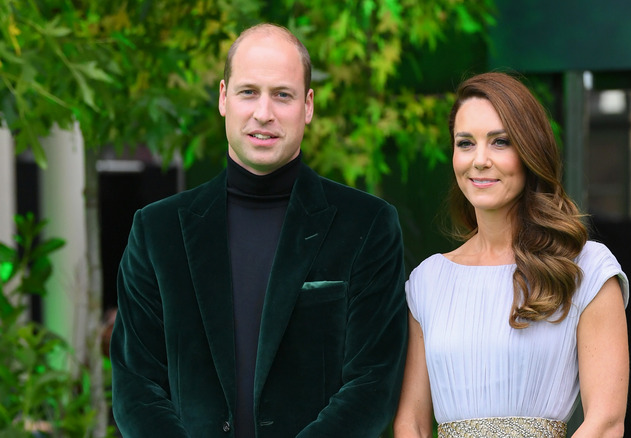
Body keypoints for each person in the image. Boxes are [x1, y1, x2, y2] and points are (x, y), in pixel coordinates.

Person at [110, 23, 408, 438]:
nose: (263, 112)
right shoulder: (156, 231)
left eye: (281, 95)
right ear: (223, 98)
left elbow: (373, 383)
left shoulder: (368, 225)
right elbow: (136, 387)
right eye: (248, 91)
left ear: (307, 105)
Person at [393, 72, 629, 438]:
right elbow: (412, 424)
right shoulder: (427, 281)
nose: (480, 160)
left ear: (530, 150)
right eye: (466, 143)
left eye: (500, 142)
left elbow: (606, 422)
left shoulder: (587, 269)